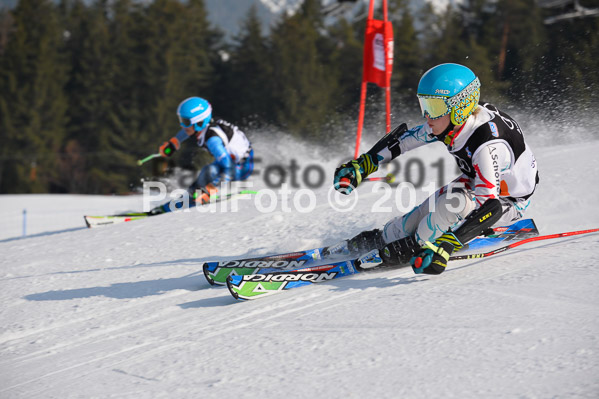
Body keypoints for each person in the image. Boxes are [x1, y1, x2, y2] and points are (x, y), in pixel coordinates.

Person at [333, 63, 539, 275]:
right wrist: (363, 165)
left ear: (459, 108)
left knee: (450, 206)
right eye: (425, 106)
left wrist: (447, 246)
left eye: (435, 108)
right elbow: (403, 142)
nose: (427, 116)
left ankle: (417, 245)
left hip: (508, 202)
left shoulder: (486, 146)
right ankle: (385, 238)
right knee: (413, 219)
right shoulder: (453, 121)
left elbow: (490, 207)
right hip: (474, 182)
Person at [157, 97, 254, 209]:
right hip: (233, 162)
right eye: (181, 120)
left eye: (185, 122)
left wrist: (210, 190)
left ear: (199, 123)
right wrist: (174, 142)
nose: (182, 126)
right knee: (205, 175)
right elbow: (187, 131)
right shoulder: (203, 127)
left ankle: (189, 201)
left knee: (209, 172)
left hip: (242, 168)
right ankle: (185, 200)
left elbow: (229, 169)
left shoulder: (213, 141)